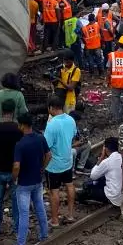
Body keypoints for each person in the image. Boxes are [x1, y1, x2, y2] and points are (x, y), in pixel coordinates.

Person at [7, 114, 50, 245]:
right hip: (37, 181)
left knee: (24, 214)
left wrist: (14, 178)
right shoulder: (40, 138)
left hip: (24, 184)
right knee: (40, 208)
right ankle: (44, 235)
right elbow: (49, 155)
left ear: (22, 125)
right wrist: (42, 168)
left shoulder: (20, 144)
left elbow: (16, 166)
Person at [0, 100, 23, 238]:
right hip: (15, 170)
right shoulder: (19, 129)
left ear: (1, 111)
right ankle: (17, 229)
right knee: (16, 201)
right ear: (13, 111)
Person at [43, 94, 77, 227]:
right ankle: (70, 214)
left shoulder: (52, 125)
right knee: (69, 185)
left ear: (51, 108)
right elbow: (73, 136)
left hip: (54, 165)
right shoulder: (71, 120)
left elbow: (46, 146)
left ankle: (55, 220)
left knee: (54, 191)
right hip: (67, 160)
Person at [78, 137, 123, 208]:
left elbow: (93, 176)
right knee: (103, 177)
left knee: (87, 184)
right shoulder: (122, 157)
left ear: (106, 148)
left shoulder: (107, 161)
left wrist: (101, 158)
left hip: (112, 196)